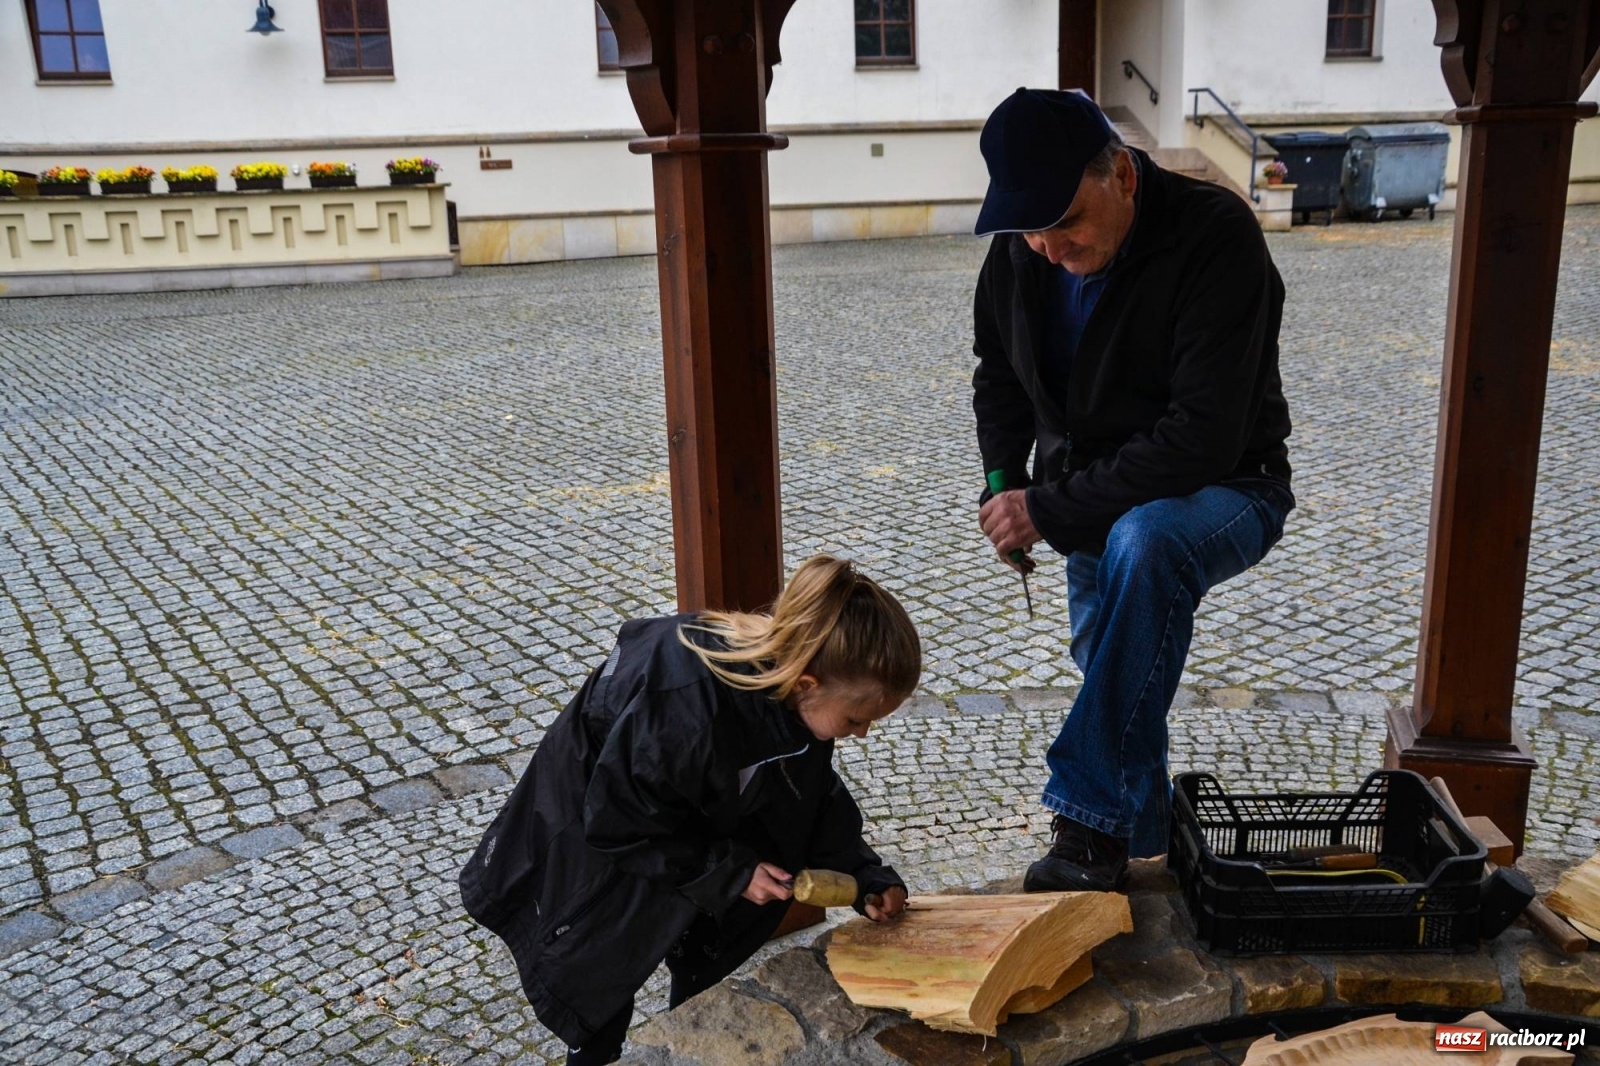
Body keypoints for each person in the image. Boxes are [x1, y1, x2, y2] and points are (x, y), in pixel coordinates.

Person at [970, 88, 1294, 892]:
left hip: (1230, 485)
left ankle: (1087, 825)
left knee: (1144, 547)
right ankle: (1140, 844)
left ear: (1121, 173)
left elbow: (1202, 437)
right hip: (1088, 501)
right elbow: (999, 373)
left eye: (1065, 222)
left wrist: (1044, 509)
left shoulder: (1215, 236)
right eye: (1029, 226)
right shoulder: (1024, 246)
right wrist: (1006, 483)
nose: (1047, 244)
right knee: (1119, 662)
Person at [459, 555, 919, 1065]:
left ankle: (690, 1046)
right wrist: (728, 871)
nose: (862, 733)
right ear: (807, 684)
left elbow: (810, 797)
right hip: (596, 854)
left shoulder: (794, 694)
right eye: (857, 719)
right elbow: (620, 824)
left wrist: (864, 874)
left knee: (698, 966)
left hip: (679, 837)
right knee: (599, 990)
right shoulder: (684, 709)